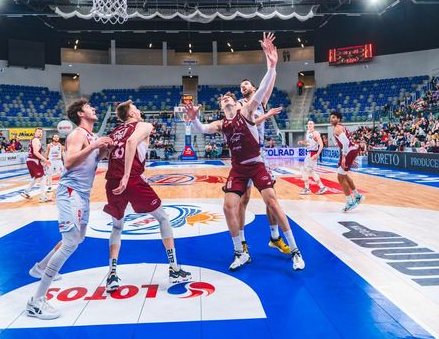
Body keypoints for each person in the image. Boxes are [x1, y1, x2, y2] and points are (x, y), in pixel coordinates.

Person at [185, 32, 305, 272]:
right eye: (224, 99)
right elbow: (202, 129)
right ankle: (240, 251)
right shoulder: (221, 124)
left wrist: (272, 66)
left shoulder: (247, 111)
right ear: (221, 106)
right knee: (229, 206)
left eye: (230, 97)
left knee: (272, 201)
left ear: (237, 103)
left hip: (257, 162)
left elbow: (263, 90)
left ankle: (295, 250)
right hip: (238, 168)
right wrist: (193, 119)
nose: (227, 99)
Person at [26, 99, 113, 320]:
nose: (94, 108)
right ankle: (36, 302)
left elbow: (92, 160)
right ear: (81, 114)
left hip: (82, 194)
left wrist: (104, 150)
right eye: (89, 107)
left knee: (78, 238)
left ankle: (40, 267)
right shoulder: (77, 134)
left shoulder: (90, 136)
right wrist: (94, 146)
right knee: (70, 242)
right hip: (71, 192)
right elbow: (69, 162)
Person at [104, 100, 192, 293]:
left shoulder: (114, 132)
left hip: (111, 181)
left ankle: (112, 275)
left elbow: (106, 153)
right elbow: (131, 142)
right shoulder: (143, 125)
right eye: (135, 108)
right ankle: (174, 269)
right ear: (131, 114)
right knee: (163, 218)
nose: (138, 109)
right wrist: (127, 176)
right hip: (131, 179)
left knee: (117, 226)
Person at [236, 72, 289, 260]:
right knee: (244, 199)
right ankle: (242, 242)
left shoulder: (261, 102)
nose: (243, 86)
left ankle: (275, 237)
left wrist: (272, 68)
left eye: (246, 83)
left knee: (270, 197)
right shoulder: (239, 105)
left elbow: (268, 86)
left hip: (260, 154)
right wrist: (267, 116)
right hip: (244, 155)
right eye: (241, 85)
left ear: (254, 88)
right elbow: (248, 123)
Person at [330, 111, 364, 212]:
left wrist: (345, 157)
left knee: (340, 177)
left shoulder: (337, 128)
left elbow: (345, 142)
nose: (331, 119)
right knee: (344, 175)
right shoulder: (342, 126)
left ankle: (350, 202)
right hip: (351, 150)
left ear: (338, 119)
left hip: (348, 150)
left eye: (334, 117)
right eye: (331, 117)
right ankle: (357, 196)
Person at [21, 128, 51, 203]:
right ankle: (41, 197)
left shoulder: (34, 140)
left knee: (40, 177)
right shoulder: (36, 140)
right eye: (38, 131)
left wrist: (42, 161)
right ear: (35, 133)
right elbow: (35, 152)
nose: (40, 133)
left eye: (41, 132)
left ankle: (27, 192)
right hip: (33, 160)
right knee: (42, 177)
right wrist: (45, 160)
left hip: (33, 160)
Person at [297, 120, 327, 195]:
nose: (309, 125)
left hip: (313, 153)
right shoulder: (308, 133)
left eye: (311, 124)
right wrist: (302, 142)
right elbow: (308, 142)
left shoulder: (316, 133)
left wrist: (317, 154)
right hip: (309, 153)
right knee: (310, 171)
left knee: (304, 169)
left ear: (313, 125)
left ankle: (307, 188)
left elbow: (321, 145)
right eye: (308, 124)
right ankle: (321, 187)